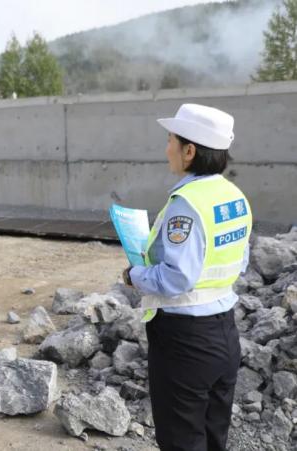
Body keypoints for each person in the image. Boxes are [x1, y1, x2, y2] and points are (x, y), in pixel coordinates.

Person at [123, 104, 252, 451]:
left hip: (185, 340)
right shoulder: (235, 197)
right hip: (225, 333)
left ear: (189, 151)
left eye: (170, 140)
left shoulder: (187, 202)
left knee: (181, 440)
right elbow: (239, 262)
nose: (167, 149)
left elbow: (177, 277)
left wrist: (135, 275)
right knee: (213, 437)